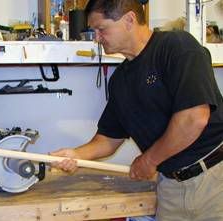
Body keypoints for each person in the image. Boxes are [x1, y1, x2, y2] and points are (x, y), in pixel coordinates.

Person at [50, 0, 223, 220]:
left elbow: (194, 118)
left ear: (129, 20)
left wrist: (149, 160)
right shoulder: (120, 80)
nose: (97, 37)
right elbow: (108, 139)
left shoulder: (177, 46)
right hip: (170, 186)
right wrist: (75, 154)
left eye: (101, 29)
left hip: (215, 179)